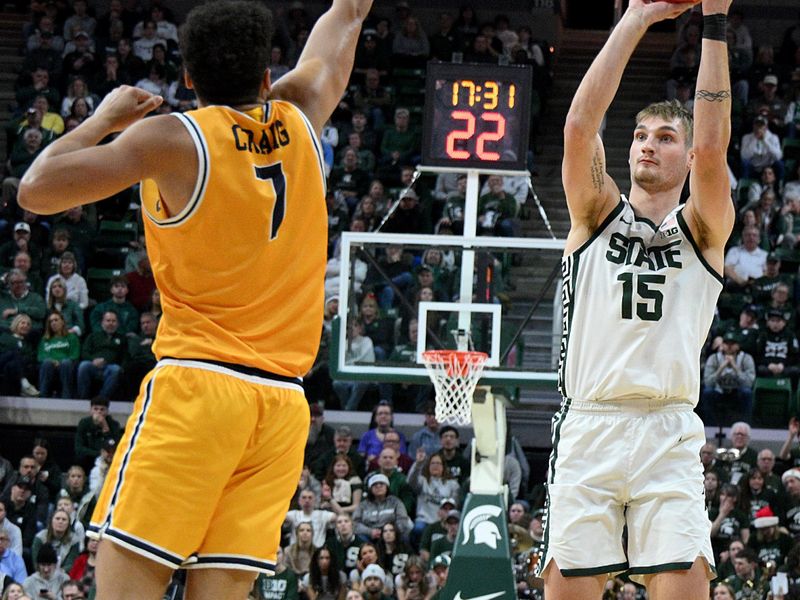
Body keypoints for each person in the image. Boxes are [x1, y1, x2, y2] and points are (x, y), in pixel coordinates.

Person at [20, 3, 372, 600]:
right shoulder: (304, 111)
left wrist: (102, 120)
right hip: (283, 407)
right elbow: (348, 13)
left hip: (200, 389)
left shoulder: (171, 140)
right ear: (267, 76)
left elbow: (35, 189)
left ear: (186, 76)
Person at [542, 0, 734, 597]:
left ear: (689, 155)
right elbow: (578, 127)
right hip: (590, 424)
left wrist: (716, 22)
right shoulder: (596, 211)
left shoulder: (703, 227)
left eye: (666, 137)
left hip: (668, 431)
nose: (648, 145)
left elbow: (714, 143)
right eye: (640, 135)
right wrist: (637, 18)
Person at [700, 331, 756, 425]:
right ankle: (710, 427)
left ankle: (745, 426)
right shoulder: (714, 358)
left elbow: (749, 383)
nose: (729, 346)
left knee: (747, 393)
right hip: (719, 391)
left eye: (732, 344)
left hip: (737, 392)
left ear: (738, 345)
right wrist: (721, 368)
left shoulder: (746, 358)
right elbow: (708, 382)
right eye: (726, 343)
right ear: (722, 345)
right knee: (707, 392)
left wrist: (735, 367)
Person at [76, 310, 126, 399]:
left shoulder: (122, 338)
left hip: (110, 367)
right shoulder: (93, 336)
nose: (111, 323)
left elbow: (125, 356)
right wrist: (93, 360)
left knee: (116, 369)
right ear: (102, 322)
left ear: (117, 324)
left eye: (113, 321)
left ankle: (101, 399)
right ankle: (83, 398)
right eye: (108, 320)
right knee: (83, 366)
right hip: (93, 366)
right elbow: (84, 352)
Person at [73, 397, 122, 473]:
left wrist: (105, 428)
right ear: (90, 410)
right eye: (95, 409)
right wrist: (99, 453)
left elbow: (114, 446)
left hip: (107, 462)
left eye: (102, 409)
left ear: (107, 411)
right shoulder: (84, 423)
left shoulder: (114, 424)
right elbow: (79, 448)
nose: (99, 412)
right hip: (87, 461)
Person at [37, 311, 80, 398]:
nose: (53, 323)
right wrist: (53, 361)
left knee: (66, 363)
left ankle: (66, 396)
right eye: (51, 321)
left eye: (56, 320)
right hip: (50, 365)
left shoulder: (71, 337)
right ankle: (43, 396)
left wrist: (59, 362)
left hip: (66, 365)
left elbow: (74, 355)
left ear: (62, 322)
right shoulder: (45, 339)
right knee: (47, 363)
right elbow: (41, 356)